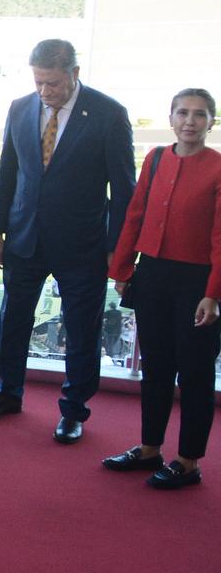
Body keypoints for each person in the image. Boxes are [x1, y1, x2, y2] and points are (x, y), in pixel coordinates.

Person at [0, 39, 134, 444]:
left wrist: (117, 248)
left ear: (74, 74)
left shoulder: (109, 114)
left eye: (53, 83)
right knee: (12, 322)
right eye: (38, 82)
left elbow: (124, 190)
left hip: (83, 245)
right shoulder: (20, 108)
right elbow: (8, 173)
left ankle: (74, 410)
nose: (44, 92)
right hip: (24, 238)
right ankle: (7, 393)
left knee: (81, 331)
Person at [103, 89, 221, 489]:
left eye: (199, 114)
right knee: (155, 368)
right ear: (171, 118)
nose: (190, 121)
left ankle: (188, 461)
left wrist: (213, 293)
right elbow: (135, 215)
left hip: (198, 282)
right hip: (152, 275)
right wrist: (122, 269)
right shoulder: (155, 159)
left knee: (195, 372)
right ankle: (149, 448)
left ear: (211, 122)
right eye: (182, 112)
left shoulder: (218, 167)